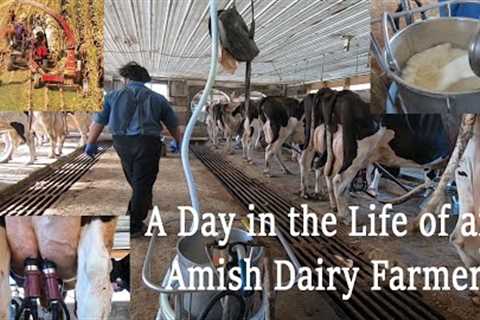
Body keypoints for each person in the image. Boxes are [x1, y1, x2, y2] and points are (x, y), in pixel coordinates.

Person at [85, 61, 181, 237]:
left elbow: (98, 122)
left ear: (125, 78)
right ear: (144, 79)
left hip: (122, 143)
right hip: (148, 143)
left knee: (134, 177)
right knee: (142, 182)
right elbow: (173, 124)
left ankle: (143, 200)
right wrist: (178, 141)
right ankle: (134, 225)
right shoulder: (157, 98)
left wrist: (91, 143)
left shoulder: (112, 97)